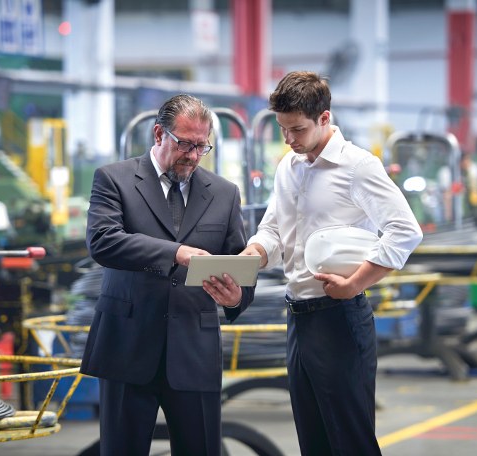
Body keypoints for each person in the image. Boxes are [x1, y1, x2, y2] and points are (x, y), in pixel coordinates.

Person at [240, 71, 423, 455]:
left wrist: (356, 283)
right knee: (314, 441)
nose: (289, 139)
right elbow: (273, 231)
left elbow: (405, 231)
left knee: (350, 442)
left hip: (339, 318)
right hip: (297, 318)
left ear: (324, 118)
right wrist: (250, 256)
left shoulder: (357, 166)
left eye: (298, 129)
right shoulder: (288, 168)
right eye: (282, 129)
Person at [80, 94, 255, 455]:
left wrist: (237, 296)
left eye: (201, 147)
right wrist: (175, 253)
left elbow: (240, 265)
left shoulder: (223, 193)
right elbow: (103, 241)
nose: (192, 155)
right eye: (185, 144)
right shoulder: (114, 180)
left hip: (194, 349)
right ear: (159, 134)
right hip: (128, 346)